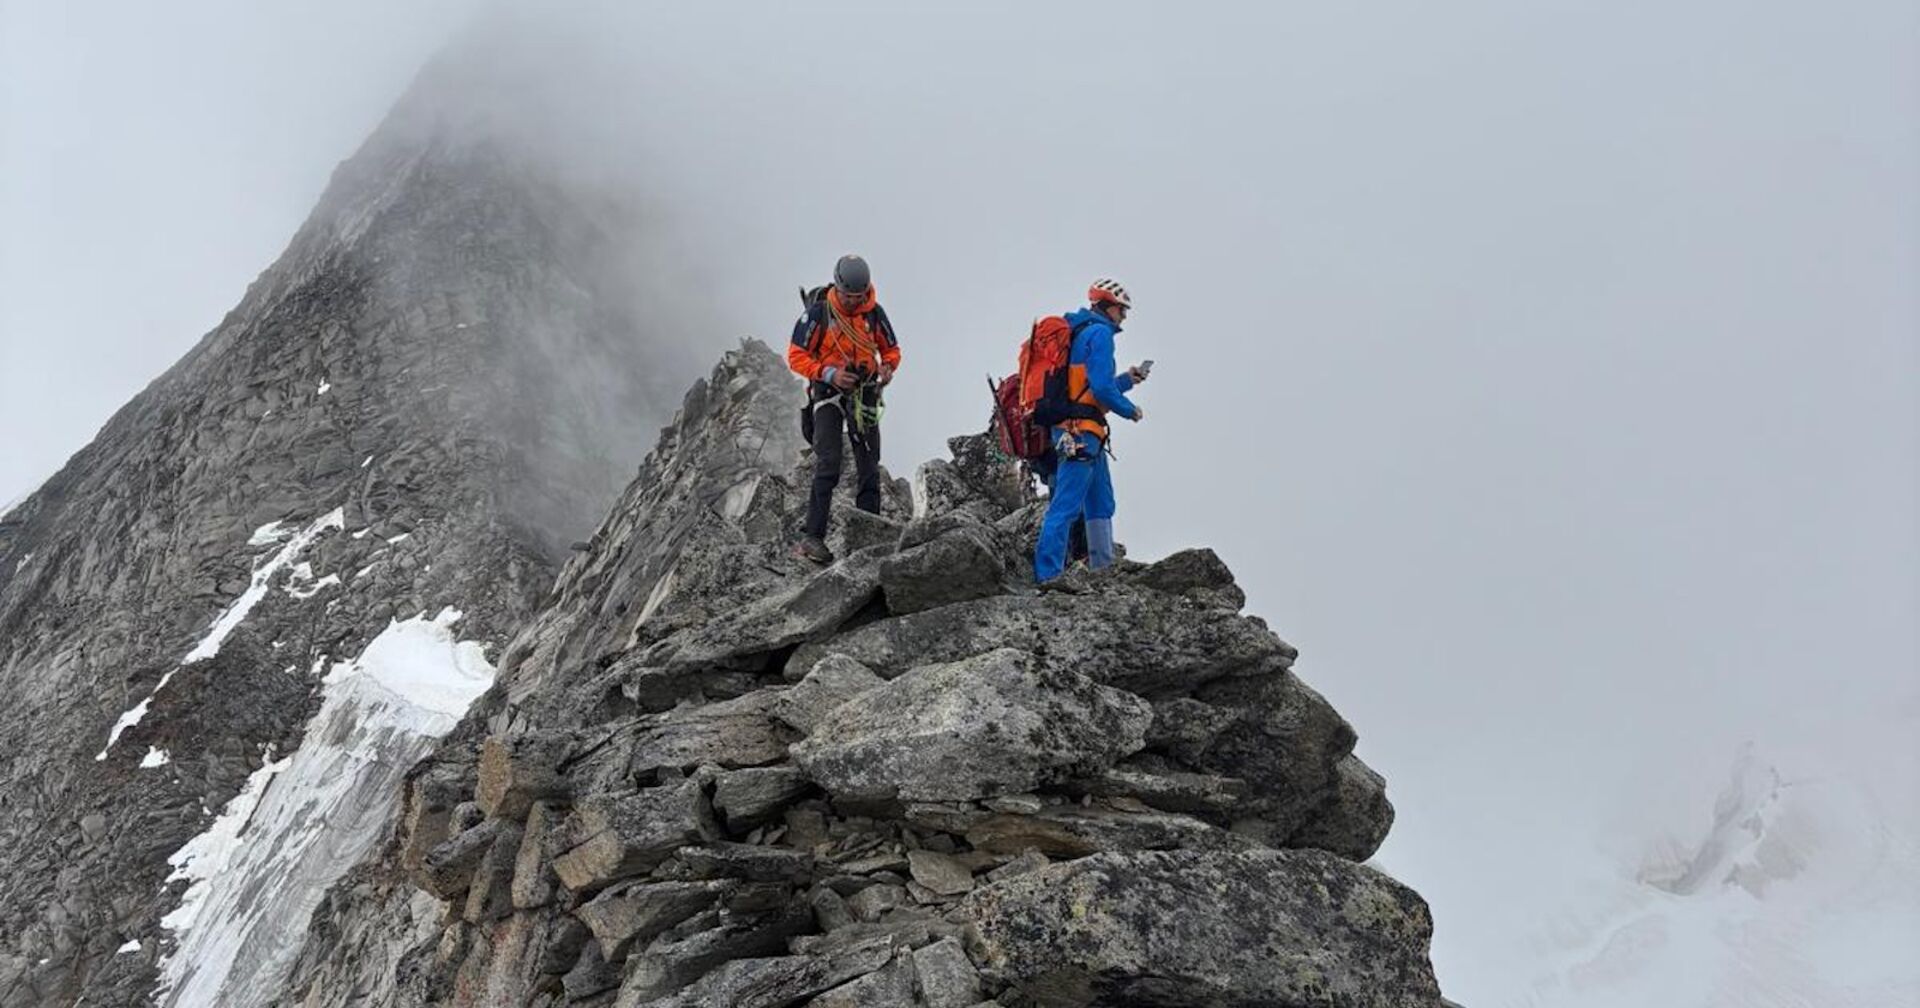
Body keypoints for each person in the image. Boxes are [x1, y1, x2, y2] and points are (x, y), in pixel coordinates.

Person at [787, 254, 901, 563]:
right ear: (838, 287)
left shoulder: (874, 314)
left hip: (864, 392)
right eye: (849, 296)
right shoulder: (818, 314)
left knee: (868, 463)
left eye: (859, 296)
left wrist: (888, 367)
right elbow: (796, 355)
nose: (854, 301)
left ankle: (870, 534)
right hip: (827, 393)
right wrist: (829, 373)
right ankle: (813, 538)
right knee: (828, 462)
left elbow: (891, 349)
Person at [1033, 278, 1147, 585]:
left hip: (1085, 432)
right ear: (1108, 307)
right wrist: (1129, 409)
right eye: (1122, 310)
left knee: (1100, 500)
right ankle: (1048, 576)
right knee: (1067, 505)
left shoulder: (1080, 332)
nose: (1123, 317)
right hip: (1081, 432)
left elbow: (1087, 389)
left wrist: (1127, 379)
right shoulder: (1099, 334)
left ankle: (1102, 569)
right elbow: (1100, 389)